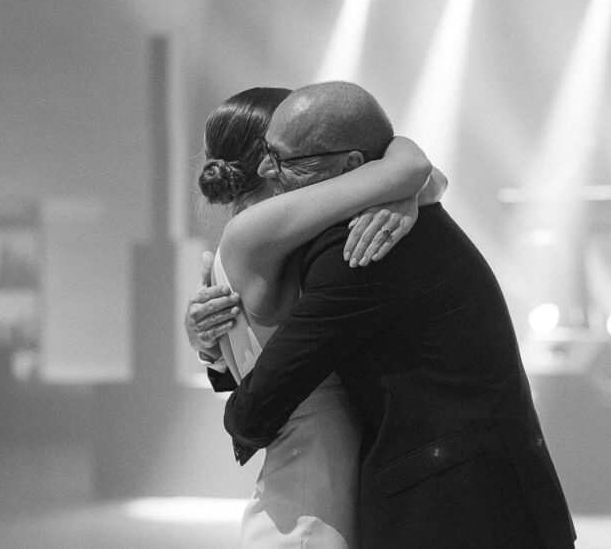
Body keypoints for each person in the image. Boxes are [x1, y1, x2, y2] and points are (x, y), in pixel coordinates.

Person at [201, 80, 576, 548]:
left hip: (456, 512)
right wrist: (406, 184)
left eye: (281, 158)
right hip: (359, 497)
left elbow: (253, 409)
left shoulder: (359, 247)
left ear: (354, 167)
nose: (268, 169)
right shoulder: (361, 226)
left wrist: (406, 186)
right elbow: (413, 165)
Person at [187, 85, 446, 548]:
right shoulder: (261, 230)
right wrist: (404, 195)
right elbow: (410, 167)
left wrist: (211, 352)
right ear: (270, 157)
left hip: (313, 484)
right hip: (311, 499)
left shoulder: (255, 236)